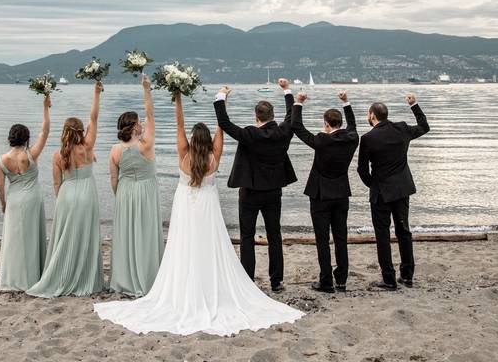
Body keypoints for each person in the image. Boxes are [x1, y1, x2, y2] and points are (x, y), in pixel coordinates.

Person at [93, 90, 304, 335]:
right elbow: (221, 128)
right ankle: (271, 279)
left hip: (186, 206)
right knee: (211, 244)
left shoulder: (184, 154)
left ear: (192, 139)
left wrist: (178, 97)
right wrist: (222, 105)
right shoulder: (213, 157)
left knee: (185, 244)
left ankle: (188, 284)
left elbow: (179, 124)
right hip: (209, 206)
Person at [214, 80, 296, 292]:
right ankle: (276, 281)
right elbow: (291, 117)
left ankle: (248, 280)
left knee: (247, 237)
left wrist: (221, 95)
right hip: (273, 193)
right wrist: (287, 90)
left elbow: (224, 123)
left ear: (256, 116)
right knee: (274, 236)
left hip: (249, 193)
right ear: (272, 116)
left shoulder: (250, 134)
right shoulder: (283, 133)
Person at [26, 81, 104, 297]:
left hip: (67, 196)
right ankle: (85, 277)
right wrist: (96, 93)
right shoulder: (87, 147)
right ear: (81, 131)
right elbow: (94, 118)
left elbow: (56, 183)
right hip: (87, 193)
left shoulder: (58, 155)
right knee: (86, 234)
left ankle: (62, 273)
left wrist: (62, 199)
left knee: (65, 236)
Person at [357, 93, 430, 290]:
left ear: (372, 115)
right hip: (402, 188)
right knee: (403, 231)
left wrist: (373, 184)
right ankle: (407, 275)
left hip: (381, 192)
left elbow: (362, 170)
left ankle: (388, 279)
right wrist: (414, 105)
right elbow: (424, 126)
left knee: (382, 235)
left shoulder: (368, 138)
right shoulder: (402, 129)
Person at [291, 90, 358, 293]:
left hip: (320, 195)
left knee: (322, 240)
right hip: (341, 194)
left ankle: (326, 281)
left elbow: (296, 127)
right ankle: (342, 280)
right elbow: (353, 125)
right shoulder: (352, 138)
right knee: (341, 238)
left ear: (327, 124)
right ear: (339, 123)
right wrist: (346, 102)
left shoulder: (321, 140)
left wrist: (298, 102)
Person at [107, 73, 162, 296]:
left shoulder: (114, 150)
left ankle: (126, 279)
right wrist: (146, 89)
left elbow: (113, 179)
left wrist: (120, 195)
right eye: (138, 121)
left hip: (125, 192)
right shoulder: (146, 144)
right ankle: (148, 277)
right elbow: (151, 114)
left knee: (127, 235)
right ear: (132, 126)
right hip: (146, 191)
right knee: (145, 233)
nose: (142, 123)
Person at [0, 93, 52, 290]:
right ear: (27, 138)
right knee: (32, 238)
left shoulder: (2, 160)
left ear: (9, 139)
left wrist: (3, 204)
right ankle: (33, 278)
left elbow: (0, 187)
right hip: (33, 199)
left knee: (13, 239)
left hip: (14, 200)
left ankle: (13, 279)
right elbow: (45, 132)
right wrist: (45, 107)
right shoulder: (31, 154)